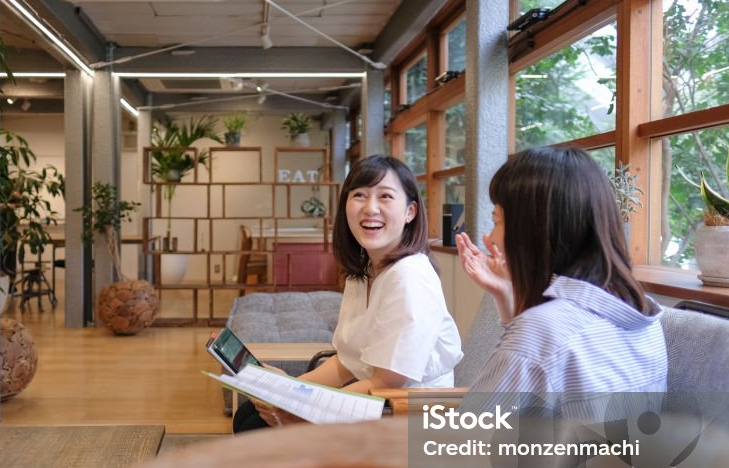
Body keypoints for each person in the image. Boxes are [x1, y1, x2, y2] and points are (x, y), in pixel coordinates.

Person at [234, 155, 463, 432]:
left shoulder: (409, 278)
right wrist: (290, 388)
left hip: (405, 418)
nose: (371, 208)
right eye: (359, 195)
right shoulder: (365, 269)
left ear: (410, 212)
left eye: (385, 196)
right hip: (371, 403)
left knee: (255, 428)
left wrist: (304, 409)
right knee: (248, 414)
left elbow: (387, 383)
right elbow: (346, 363)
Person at [456, 146, 667, 397]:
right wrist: (505, 294)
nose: (490, 238)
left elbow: (474, 431)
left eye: (497, 220)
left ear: (535, 230)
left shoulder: (542, 331)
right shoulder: (641, 314)